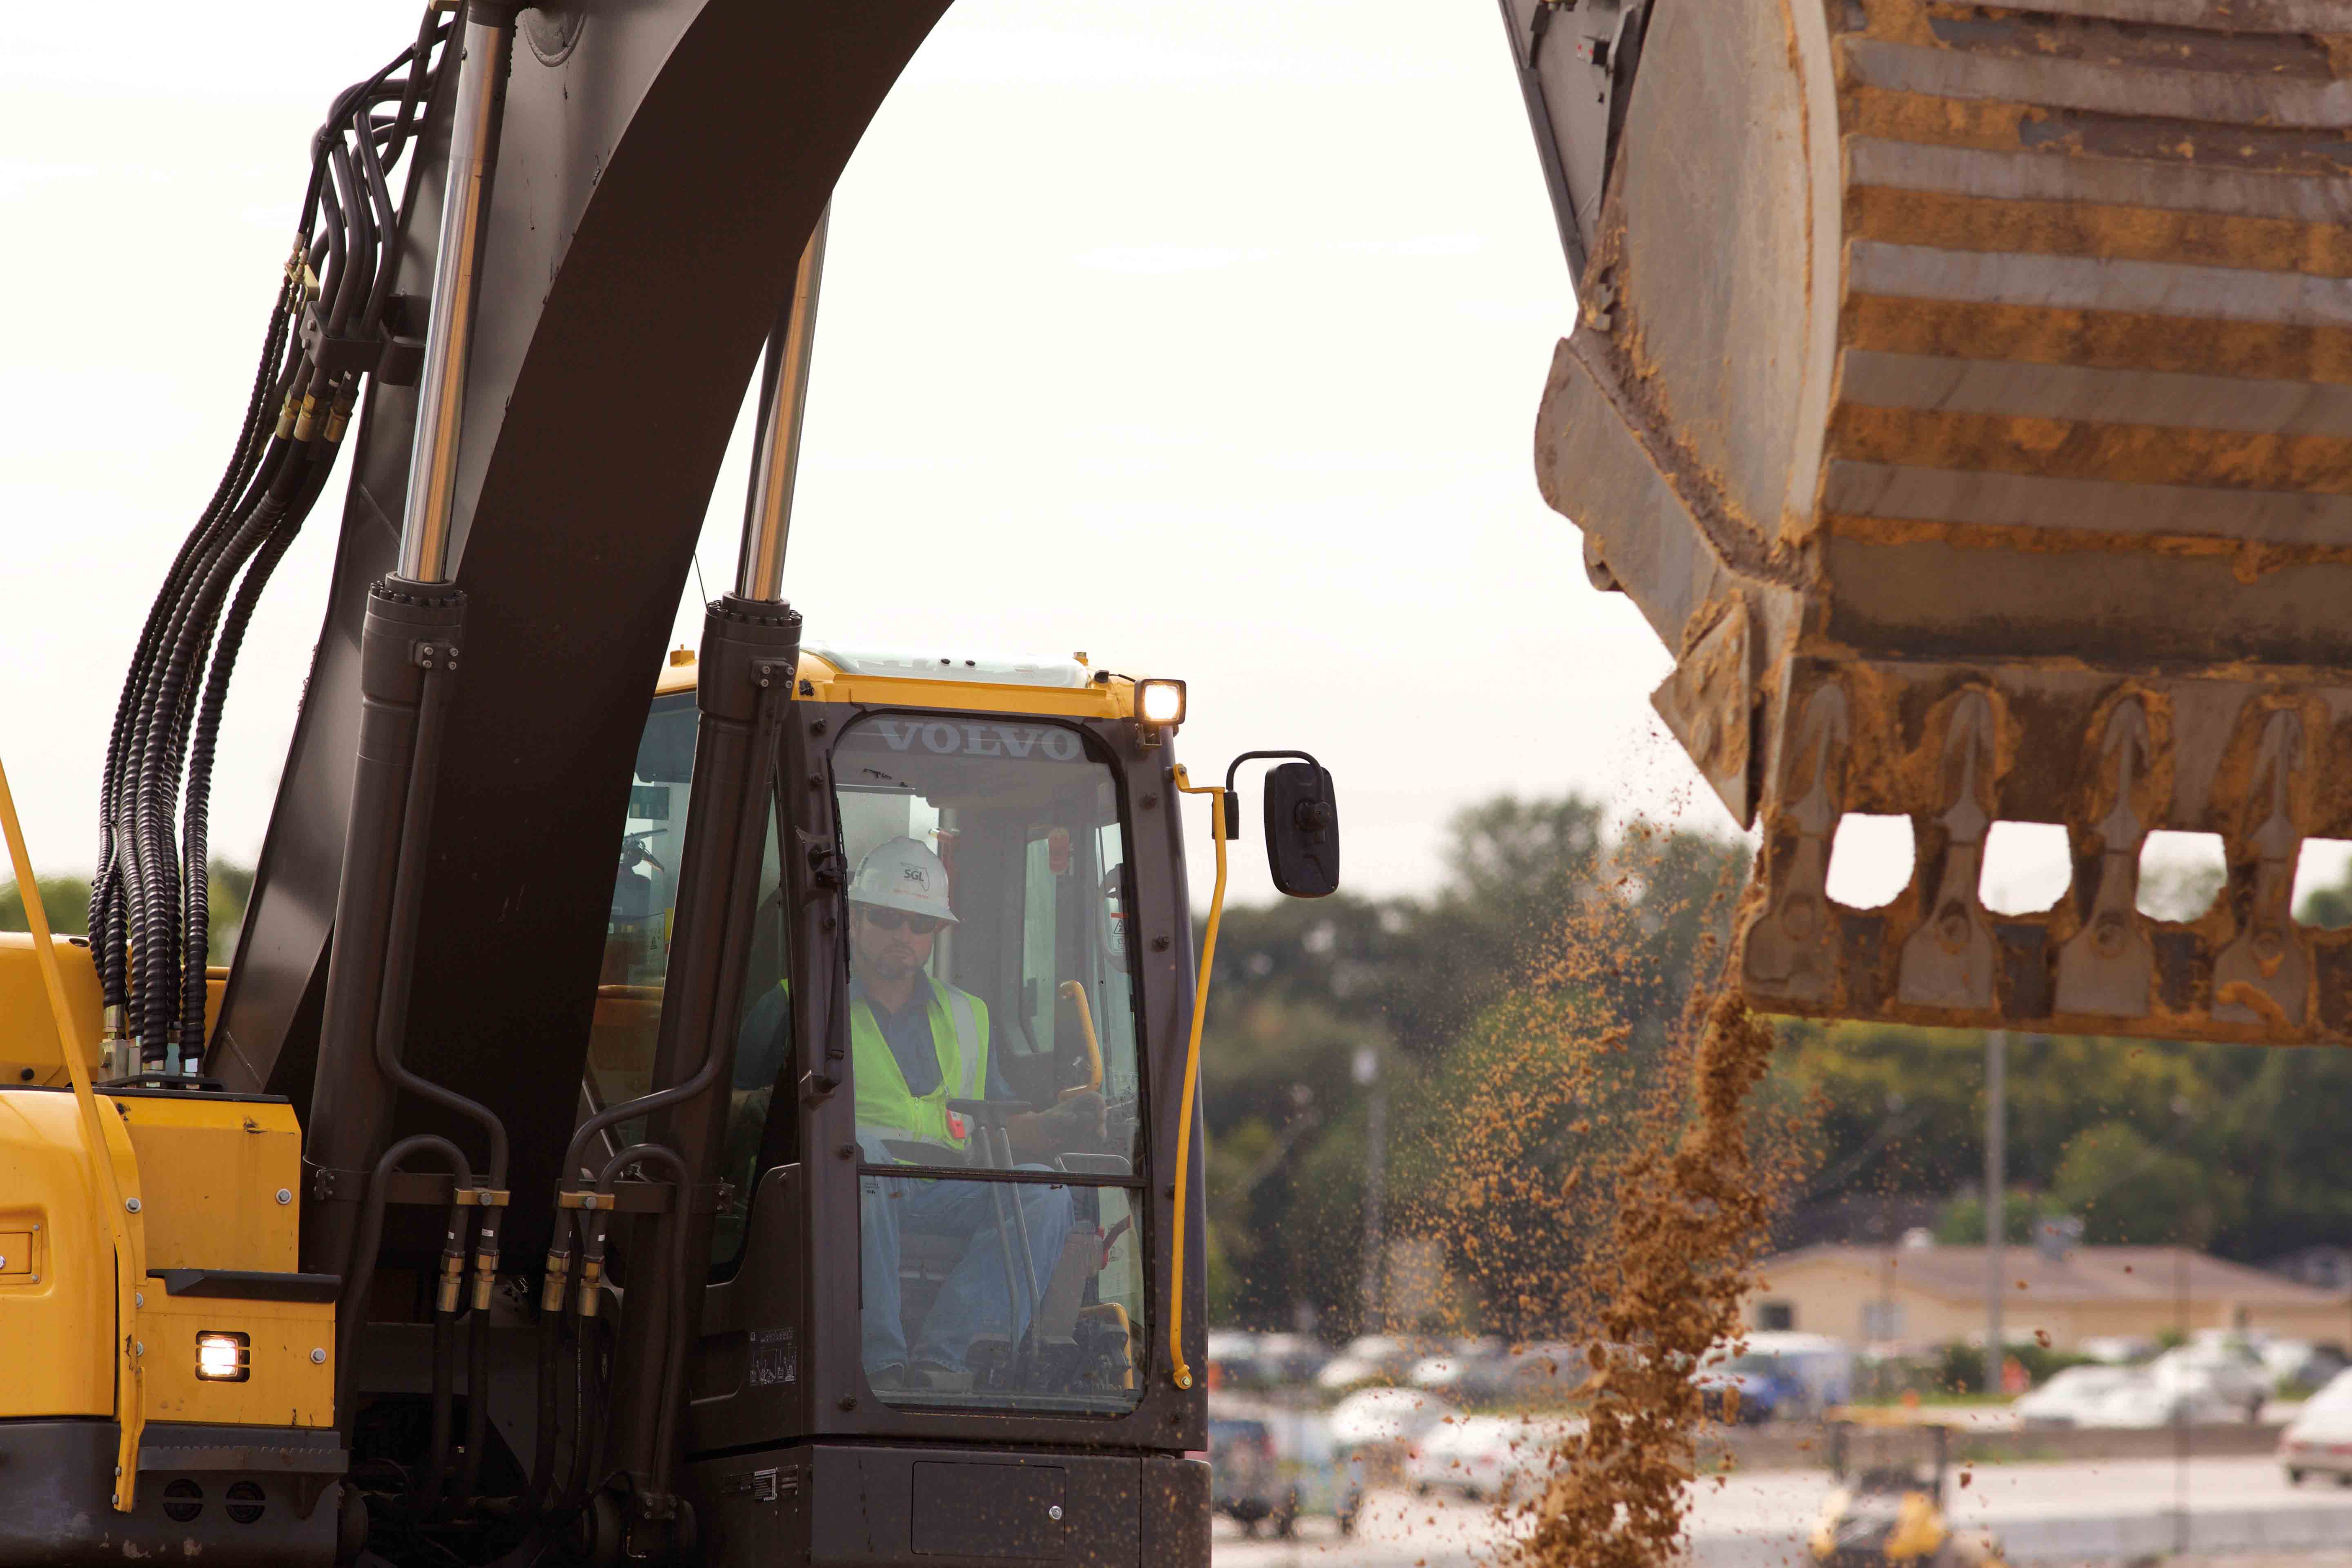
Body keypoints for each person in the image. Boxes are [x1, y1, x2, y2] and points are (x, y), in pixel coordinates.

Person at [839, 837, 1104, 1393]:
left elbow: (998, 1126)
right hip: (849, 1189)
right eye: (888, 919)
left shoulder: (967, 1016)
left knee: (1047, 1195)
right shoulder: (810, 1001)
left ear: (937, 933)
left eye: (921, 924)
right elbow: (746, 1102)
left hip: (944, 1189)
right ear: (856, 918)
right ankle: (879, 1365)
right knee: (862, 1158)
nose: (904, 936)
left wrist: (1057, 1122)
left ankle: (948, 1362)